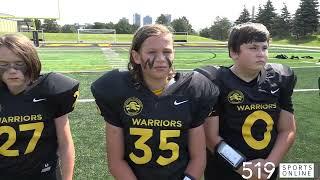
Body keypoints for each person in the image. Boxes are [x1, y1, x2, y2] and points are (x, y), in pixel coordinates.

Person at [91, 24, 219, 180]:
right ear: (136, 56)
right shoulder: (116, 88)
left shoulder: (193, 89)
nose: (160, 59)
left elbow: (198, 158)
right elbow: (115, 161)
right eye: (152, 52)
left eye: (167, 52)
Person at [195, 23, 297, 180]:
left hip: (266, 170)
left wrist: (270, 164)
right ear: (234, 52)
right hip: (225, 172)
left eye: (264, 48)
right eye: (253, 48)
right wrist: (243, 167)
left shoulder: (280, 78)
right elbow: (210, 137)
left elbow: (287, 129)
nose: (261, 53)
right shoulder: (215, 81)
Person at [0, 34, 79, 180]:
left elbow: (65, 142)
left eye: (19, 63)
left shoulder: (50, 90)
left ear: (31, 62)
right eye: (3, 64)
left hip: (45, 175)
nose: (12, 70)